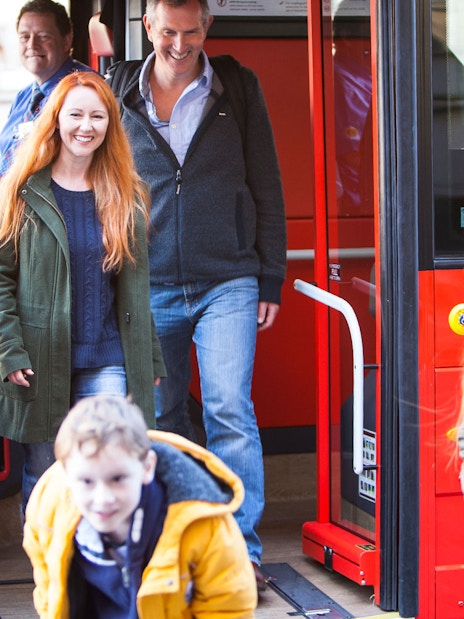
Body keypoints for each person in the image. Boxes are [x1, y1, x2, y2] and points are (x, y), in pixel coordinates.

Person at [107, 0, 287, 590]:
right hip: (148, 281)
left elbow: (266, 180)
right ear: (147, 28)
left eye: (190, 32)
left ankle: (240, 555)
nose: (179, 45)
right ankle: (175, 543)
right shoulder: (119, 90)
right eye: (167, 33)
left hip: (227, 280)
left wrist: (270, 276)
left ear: (206, 26)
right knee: (162, 417)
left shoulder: (235, 86)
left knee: (229, 409)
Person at [0, 71, 166, 514]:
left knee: (105, 470)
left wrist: (147, 357)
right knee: (46, 477)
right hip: (39, 359)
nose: (85, 126)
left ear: (110, 124)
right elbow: (1, 280)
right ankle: (51, 577)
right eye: (75, 114)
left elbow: (135, 287)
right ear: (56, 120)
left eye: (97, 116)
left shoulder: (126, 195)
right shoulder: (21, 191)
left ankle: (98, 574)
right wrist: (9, 350)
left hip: (106, 359)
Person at [23, 394, 257, 618]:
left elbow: (227, 608)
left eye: (117, 479)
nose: (103, 498)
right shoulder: (47, 510)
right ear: (66, 475)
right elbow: (49, 590)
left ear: (147, 467)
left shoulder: (203, 524)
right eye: (86, 482)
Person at [0, 0, 93, 177]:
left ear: (66, 41)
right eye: (24, 37)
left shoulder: (85, 91)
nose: (32, 45)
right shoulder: (24, 96)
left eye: (43, 36)